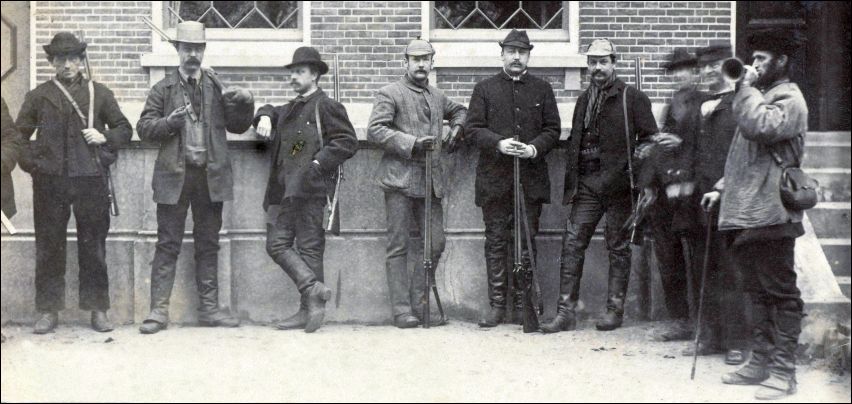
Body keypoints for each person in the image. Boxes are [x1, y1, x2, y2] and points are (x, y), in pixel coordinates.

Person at [703, 28, 809, 400]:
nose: (754, 64)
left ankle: (784, 371)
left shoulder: (790, 98)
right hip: (749, 211)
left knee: (781, 293)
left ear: (782, 61)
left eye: (762, 59)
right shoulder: (760, 97)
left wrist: (744, 88)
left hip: (773, 213)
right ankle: (760, 361)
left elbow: (759, 128)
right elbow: (745, 158)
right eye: (755, 58)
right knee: (756, 292)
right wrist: (721, 188)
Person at [137, 21, 254, 334]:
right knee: (167, 244)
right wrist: (169, 123)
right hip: (174, 178)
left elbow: (238, 126)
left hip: (209, 177)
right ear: (178, 50)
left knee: (208, 243)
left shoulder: (216, 85)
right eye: (187, 48)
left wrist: (245, 101)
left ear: (203, 51)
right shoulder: (162, 89)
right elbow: (144, 129)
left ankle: (209, 310)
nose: (192, 55)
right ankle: (158, 312)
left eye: (197, 49)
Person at [16, 32, 132, 334]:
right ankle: (48, 311)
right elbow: (18, 136)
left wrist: (104, 136)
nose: (66, 64)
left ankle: (98, 309)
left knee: (93, 246)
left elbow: (125, 129)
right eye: (60, 59)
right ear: (52, 62)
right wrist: (34, 166)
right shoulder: (39, 96)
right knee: (49, 245)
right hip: (49, 182)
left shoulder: (99, 94)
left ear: (81, 61)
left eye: (72, 58)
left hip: (90, 180)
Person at [541, 38, 658, 333]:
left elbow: (650, 141)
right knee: (572, 244)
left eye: (603, 62)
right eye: (592, 62)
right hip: (587, 185)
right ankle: (565, 313)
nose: (597, 68)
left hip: (620, 186)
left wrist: (640, 176)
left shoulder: (632, 97)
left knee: (618, 248)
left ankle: (614, 311)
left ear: (613, 63)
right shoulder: (584, 100)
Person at [253, 46, 358, 333]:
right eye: (292, 72)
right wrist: (264, 117)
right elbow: (268, 109)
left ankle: (308, 311)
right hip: (285, 192)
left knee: (310, 249)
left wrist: (316, 165)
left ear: (314, 75)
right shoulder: (289, 109)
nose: (293, 77)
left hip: (311, 190)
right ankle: (313, 289)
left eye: (299, 72)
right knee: (277, 244)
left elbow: (347, 141)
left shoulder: (327, 106)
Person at [367, 38, 467, 328]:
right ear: (406, 62)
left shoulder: (437, 96)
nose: (421, 64)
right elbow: (375, 130)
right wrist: (412, 143)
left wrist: (456, 129)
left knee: (435, 243)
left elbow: (461, 111)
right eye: (416, 59)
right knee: (398, 246)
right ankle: (402, 311)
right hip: (398, 180)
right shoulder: (390, 93)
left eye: (426, 59)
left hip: (429, 183)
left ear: (432, 63)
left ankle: (419, 301)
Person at [465, 29, 560, 328]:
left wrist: (533, 149)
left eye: (522, 52)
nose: (516, 57)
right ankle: (497, 305)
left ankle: (522, 305)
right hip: (494, 180)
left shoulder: (543, 89)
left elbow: (553, 130)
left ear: (529, 55)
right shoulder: (484, 89)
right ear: (502, 55)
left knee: (526, 243)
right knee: (495, 241)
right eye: (511, 51)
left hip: (530, 180)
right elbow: (472, 129)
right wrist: (498, 143)